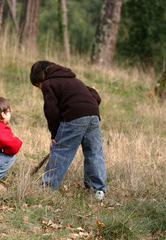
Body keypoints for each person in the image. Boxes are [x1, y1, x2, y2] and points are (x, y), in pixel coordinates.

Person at [30, 60, 107, 200]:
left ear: (43, 75)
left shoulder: (49, 83)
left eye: (38, 85)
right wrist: (89, 106)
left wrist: (54, 135)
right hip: (93, 116)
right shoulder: (74, 80)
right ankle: (97, 190)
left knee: (61, 152)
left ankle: (47, 186)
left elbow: (51, 111)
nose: (40, 88)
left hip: (74, 116)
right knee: (94, 152)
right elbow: (94, 93)